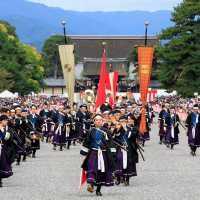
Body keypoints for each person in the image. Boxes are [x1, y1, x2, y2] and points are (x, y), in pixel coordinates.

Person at [80, 114, 114, 196]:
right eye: (96, 120)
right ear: (94, 121)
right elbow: (87, 142)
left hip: (103, 154)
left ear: (102, 121)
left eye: (100, 120)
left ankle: (98, 189)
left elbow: (111, 143)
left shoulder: (107, 132)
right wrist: (84, 153)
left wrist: (112, 154)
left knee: (101, 171)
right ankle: (90, 184)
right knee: (91, 168)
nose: (98, 121)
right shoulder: (91, 131)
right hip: (93, 153)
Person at [0, 115, 14, 187]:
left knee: (2, 164)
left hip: (3, 148)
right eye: (5, 120)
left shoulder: (7, 129)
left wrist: (5, 133)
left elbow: (7, 138)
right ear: (1, 121)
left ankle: (0, 180)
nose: (6, 122)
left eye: (6, 120)